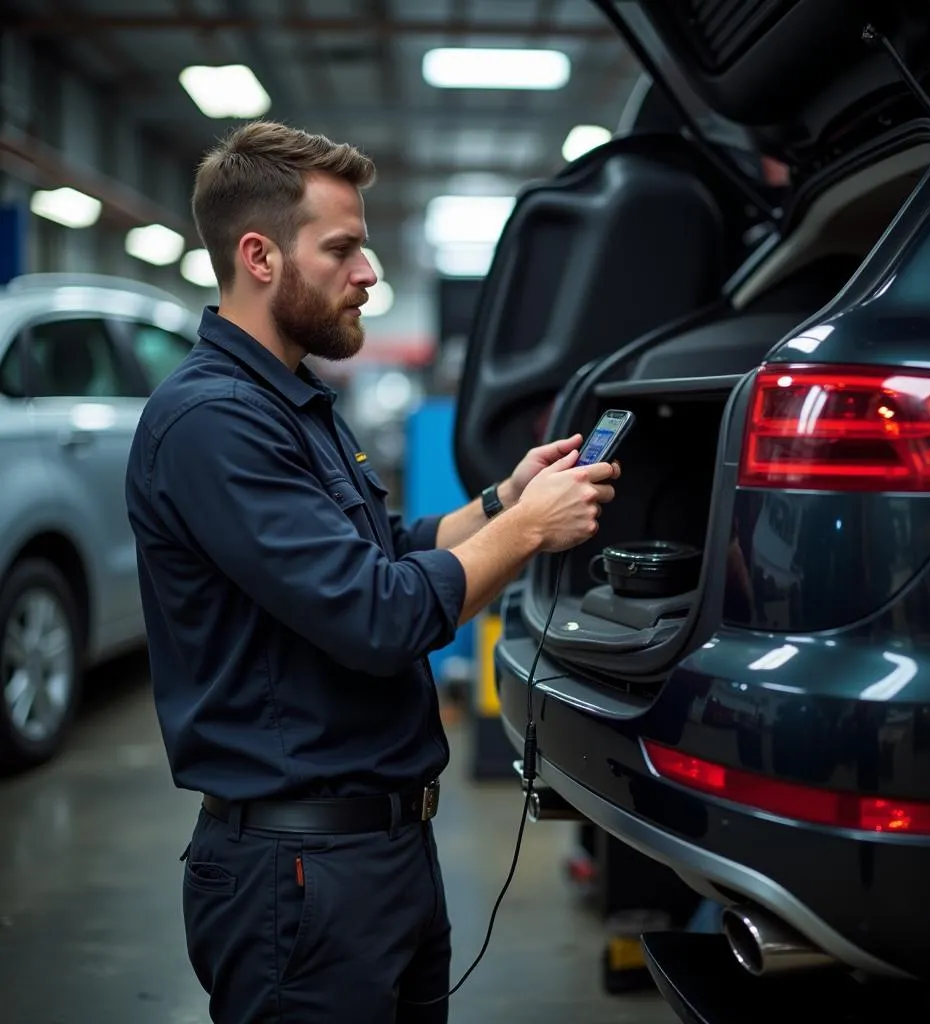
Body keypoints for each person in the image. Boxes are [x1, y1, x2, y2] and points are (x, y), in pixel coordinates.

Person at [124, 120, 619, 1024]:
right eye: (343, 248)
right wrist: (530, 537)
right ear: (259, 256)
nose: (369, 273)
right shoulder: (214, 423)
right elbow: (376, 615)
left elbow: (391, 549)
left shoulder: (295, 403)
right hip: (301, 880)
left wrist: (507, 502)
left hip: (378, 857)